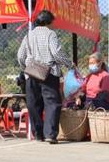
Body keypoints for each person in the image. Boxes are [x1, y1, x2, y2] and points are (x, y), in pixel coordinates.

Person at [17, 10, 73, 143]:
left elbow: (20, 55)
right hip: (49, 73)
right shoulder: (50, 34)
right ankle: (50, 134)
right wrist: (69, 64)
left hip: (31, 72)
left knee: (34, 103)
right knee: (52, 103)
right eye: (53, 21)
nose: (54, 24)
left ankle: (38, 134)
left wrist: (26, 68)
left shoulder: (28, 35)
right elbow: (56, 53)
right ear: (48, 22)